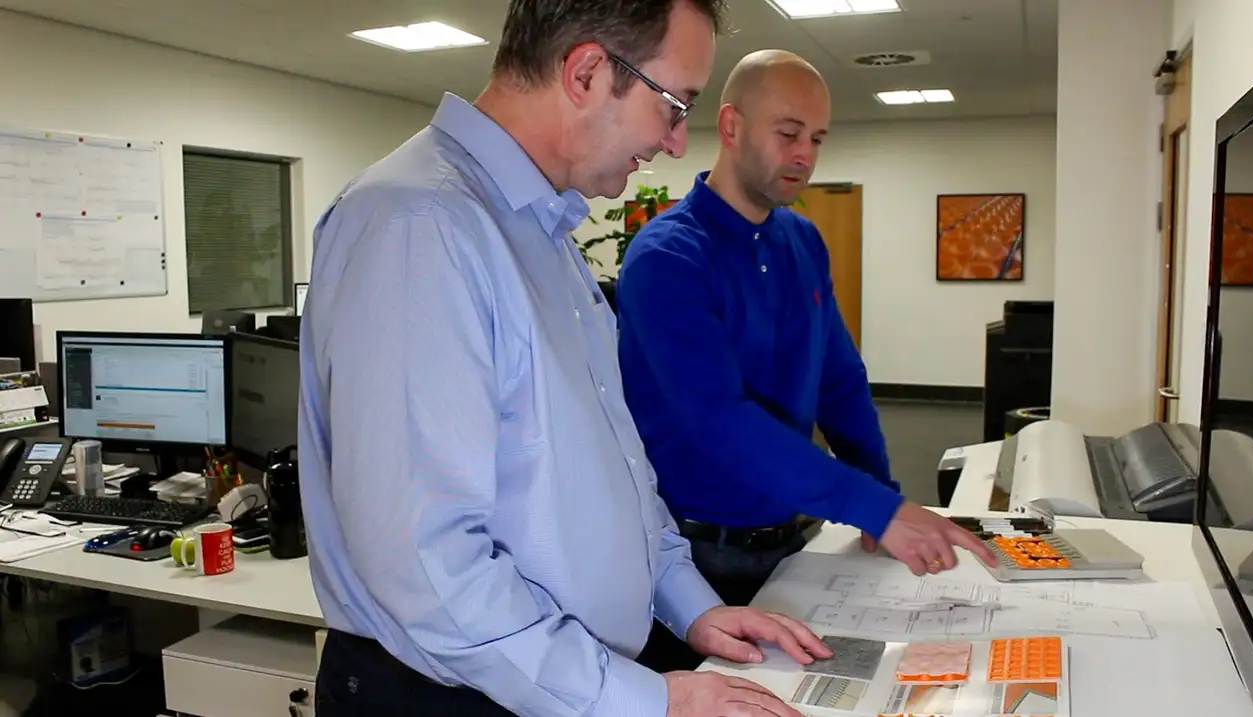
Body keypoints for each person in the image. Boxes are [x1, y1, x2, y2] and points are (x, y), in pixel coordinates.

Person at [297, 4, 835, 717]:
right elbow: (429, 570)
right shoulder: (420, 226)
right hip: (453, 696)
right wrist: (645, 699)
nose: (677, 142)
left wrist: (693, 607)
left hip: (549, 679)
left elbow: (616, 468)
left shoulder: (540, 227)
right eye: (673, 106)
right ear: (586, 72)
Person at [618, 50, 999, 670]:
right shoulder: (668, 257)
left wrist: (880, 498)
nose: (805, 155)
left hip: (791, 540)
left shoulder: (802, 239)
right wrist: (875, 508)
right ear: (733, 124)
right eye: (789, 133)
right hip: (693, 556)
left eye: (817, 138)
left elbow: (839, 381)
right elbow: (719, 420)